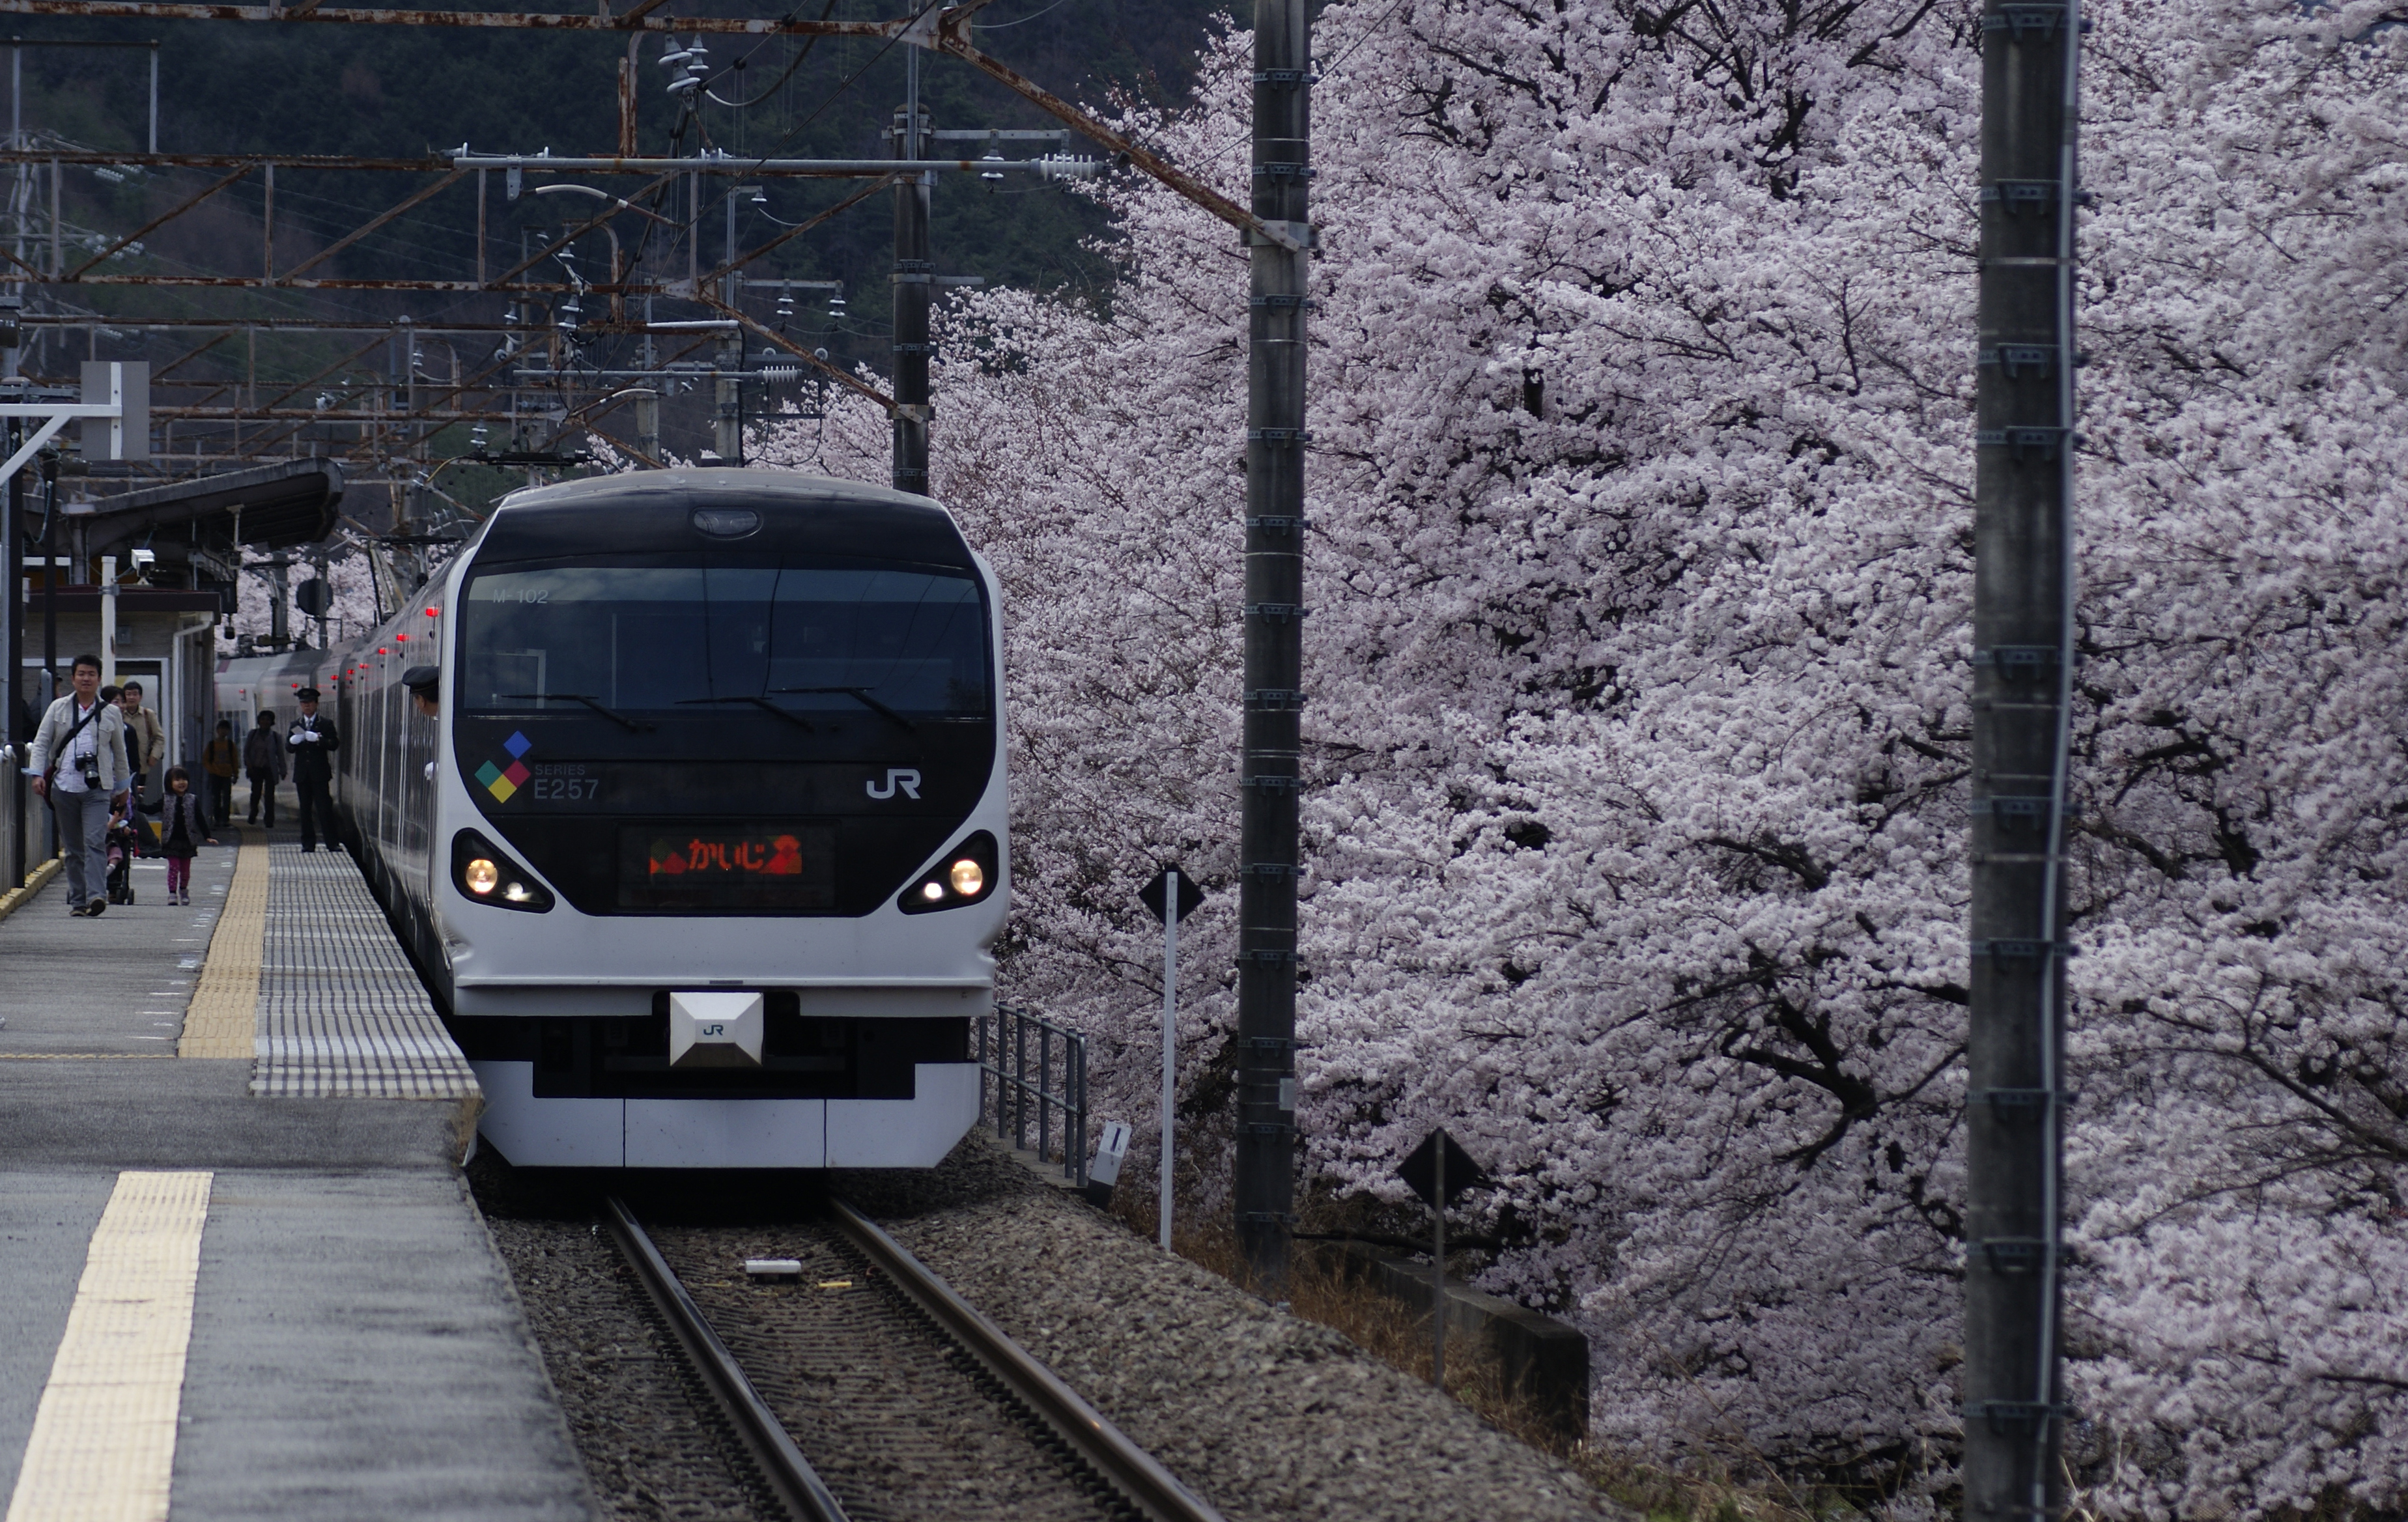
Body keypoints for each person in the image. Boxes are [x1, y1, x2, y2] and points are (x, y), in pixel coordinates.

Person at [25, 653, 132, 917]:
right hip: (64, 786)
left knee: (95, 841)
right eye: (81, 674)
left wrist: (123, 787)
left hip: (98, 788)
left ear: (98, 679)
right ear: (73, 678)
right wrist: (37, 774)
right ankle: (78, 901)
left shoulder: (111, 714)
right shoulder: (58, 708)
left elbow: (120, 752)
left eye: (91, 674)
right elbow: (41, 743)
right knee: (73, 848)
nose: (86, 678)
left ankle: (97, 896)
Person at [154, 765, 217, 906]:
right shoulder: (166, 799)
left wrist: (207, 836)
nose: (181, 782)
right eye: (177, 780)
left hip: (188, 841)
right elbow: (151, 809)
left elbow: (200, 819)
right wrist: (136, 803)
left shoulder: (192, 799)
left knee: (186, 870)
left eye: (184, 779)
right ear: (169, 783)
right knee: (174, 867)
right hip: (171, 841)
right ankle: (172, 893)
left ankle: (183, 890)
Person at [287, 686, 339, 852]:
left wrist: (319, 739)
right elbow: (289, 747)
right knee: (305, 810)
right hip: (302, 775)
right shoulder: (296, 725)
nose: (306, 706)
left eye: (309, 703)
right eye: (303, 703)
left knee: (324, 809)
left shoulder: (325, 724)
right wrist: (292, 742)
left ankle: (332, 843)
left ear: (316, 704)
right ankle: (308, 844)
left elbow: (334, 744)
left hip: (320, 774)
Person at [118, 681, 164, 804]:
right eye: (128, 694)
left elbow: (159, 738)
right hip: (121, 765)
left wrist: (154, 756)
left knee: (138, 799)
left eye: (135, 694)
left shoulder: (148, 715)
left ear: (140, 697)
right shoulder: (118, 714)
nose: (131, 697)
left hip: (142, 765)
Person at [243, 709, 286, 826]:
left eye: (268, 720)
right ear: (259, 721)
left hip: (270, 769)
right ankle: (253, 812)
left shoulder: (276, 737)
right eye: (263, 719)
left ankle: (269, 819)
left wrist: (283, 770)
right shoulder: (253, 735)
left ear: (272, 722)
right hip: (256, 767)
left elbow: (280, 755)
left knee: (269, 796)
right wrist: (248, 764)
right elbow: (246, 751)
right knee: (255, 793)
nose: (265, 722)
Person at [201, 718, 240, 828]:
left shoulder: (231, 745)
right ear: (217, 730)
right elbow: (206, 760)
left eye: (226, 729)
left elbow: (235, 760)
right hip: (215, 775)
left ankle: (225, 820)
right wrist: (212, 770)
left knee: (227, 798)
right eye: (221, 729)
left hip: (227, 775)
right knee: (216, 798)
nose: (224, 732)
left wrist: (235, 774)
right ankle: (218, 819)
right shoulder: (212, 745)